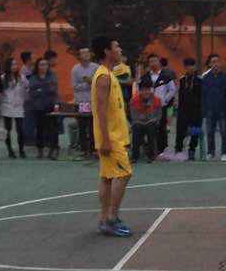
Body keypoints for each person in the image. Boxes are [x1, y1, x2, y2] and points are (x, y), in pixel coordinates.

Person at [91, 36, 133, 237]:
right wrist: (106, 140)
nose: (120, 49)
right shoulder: (104, 77)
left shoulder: (108, 73)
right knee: (124, 174)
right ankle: (111, 218)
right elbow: (100, 110)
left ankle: (104, 219)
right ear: (107, 51)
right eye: (116, 46)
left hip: (114, 135)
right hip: (111, 138)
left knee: (107, 177)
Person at [141, 54, 176, 153]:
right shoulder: (145, 77)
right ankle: (150, 149)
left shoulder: (166, 76)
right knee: (149, 127)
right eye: (151, 61)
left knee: (161, 127)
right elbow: (141, 91)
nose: (153, 63)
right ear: (148, 63)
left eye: (155, 61)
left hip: (161, 107)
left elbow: (172, 90)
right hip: (148, 106)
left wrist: (165, 100)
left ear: (159, 62)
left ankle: (162, 149)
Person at [26, 56, 60, 159]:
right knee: (39, 128)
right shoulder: (33, 77)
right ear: (37, 66)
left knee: (53, 129)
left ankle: (53, 149)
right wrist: (44, 88)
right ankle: (40, 150)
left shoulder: (52, 76)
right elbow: (32, 92)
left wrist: (40, 89)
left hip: (51, 105)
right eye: (41, 64)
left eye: (45, 64)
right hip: (38, 107)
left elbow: (54, 90)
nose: (43, 66)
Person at [201, 53, 226, 162]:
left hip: (223, 110)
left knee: (224, 132)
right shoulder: (205, 78)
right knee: (210, 132)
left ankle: (224, 153)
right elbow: (203, 95)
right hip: (210, 110)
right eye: (213, 62)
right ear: (210, 64)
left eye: (217, 61)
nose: (216, 64)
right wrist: (204, 109)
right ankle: (210, 152)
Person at [174, 57, 203, 160]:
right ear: (185, 67)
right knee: (180, 131)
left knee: (194, 132)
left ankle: (192, 150)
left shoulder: (200, 80)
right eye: (187, 66)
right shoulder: (182, 80)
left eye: (192, 66)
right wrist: (178, 109)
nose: (190, 68)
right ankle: (178, 150)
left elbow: (202, 96)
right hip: (183, 110)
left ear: (195, 67)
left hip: (196, 110)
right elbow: (180, 95)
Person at [0, 57, 28, 158]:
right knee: (8, 129)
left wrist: (25, 95)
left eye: (15, 64)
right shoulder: (3, 78)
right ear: (8, 66)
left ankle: (21, 150)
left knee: (20, 129)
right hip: (7, 105)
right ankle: (10, 150)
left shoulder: (21, 77)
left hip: (19, 105)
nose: (14, 66)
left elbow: (27, 87)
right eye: (12, 64)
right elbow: (0, 91)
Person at [70, 46, 97, 155]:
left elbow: (99, 82)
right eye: (83, 53)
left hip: (94, 100)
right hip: (82, 102)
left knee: (93, 126)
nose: (86, 55)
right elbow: (75, 86)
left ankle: (93, 148)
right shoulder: (75, 69)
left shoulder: (96, 67)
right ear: (79, 56)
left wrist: (93, 82)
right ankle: (84, 149)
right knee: (82, 125)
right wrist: (87, 83)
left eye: (88, 53)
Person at [129, 80, 163, 163]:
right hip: (138, 123)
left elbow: (159, 116)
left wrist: (151, 120)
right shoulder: (133, 100)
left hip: (151, 122)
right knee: (136, 128)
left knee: (151, 128)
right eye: (143, 90)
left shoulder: (157, 100)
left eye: (148, 89)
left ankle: (151, 155)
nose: (146, 92)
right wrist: (143, 120)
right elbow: (133, 117)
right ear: (140, 91)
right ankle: (135, 156)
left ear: (151, 90)